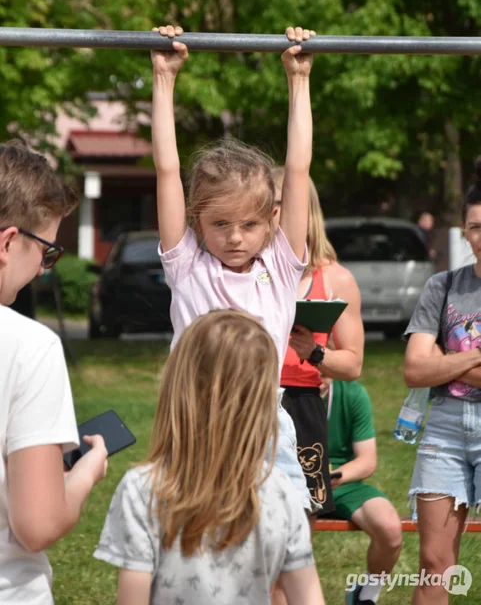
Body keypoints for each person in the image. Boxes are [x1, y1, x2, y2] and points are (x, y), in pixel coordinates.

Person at [150, 23, 316, 605]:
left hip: (262, 424)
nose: (236, 237)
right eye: (219, 224)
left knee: (279, 557)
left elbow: (296, 172)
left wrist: (299, 80)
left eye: (249, 224)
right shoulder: (188, 268)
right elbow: (168, 172)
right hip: (194, 424)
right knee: (192, 550)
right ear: (197, 222)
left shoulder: (280, 270)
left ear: (272, 219)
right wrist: (164, 80)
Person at [94, 310, 325, 604]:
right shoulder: (281, 491)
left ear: (176, 388)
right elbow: (308, 597)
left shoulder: (142, 490)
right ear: (264, 401)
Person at [0, 140, 108, 604]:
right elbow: (38, 524)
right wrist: (86, 473)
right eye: (47, 251)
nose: (44, 271)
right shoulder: (29, 346)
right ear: (8, 242)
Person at [404, 156, 481, 605]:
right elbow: (415, 369)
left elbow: (430, 362)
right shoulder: (443, 285)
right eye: (475, 227)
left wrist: (446, 356)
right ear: (465, 233)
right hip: (445, 428)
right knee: (434, 565)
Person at [273, 169, 364, 522]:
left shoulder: (336, 279)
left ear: (302, 208)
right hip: (249, 398)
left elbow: (353, 366)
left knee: (300, 527)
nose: (268, 211)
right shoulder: (246, 270)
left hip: (302, 407)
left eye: (277, 203)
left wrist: (314, 352)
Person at [319, 377, 402, 605]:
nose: (318, 376)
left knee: (390, 529)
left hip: (343, 484)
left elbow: (367, 460)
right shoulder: (281, 390)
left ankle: (365, 596)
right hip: (295, 485)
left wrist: (335, 477)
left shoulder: (352, 393)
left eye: (323, 370)